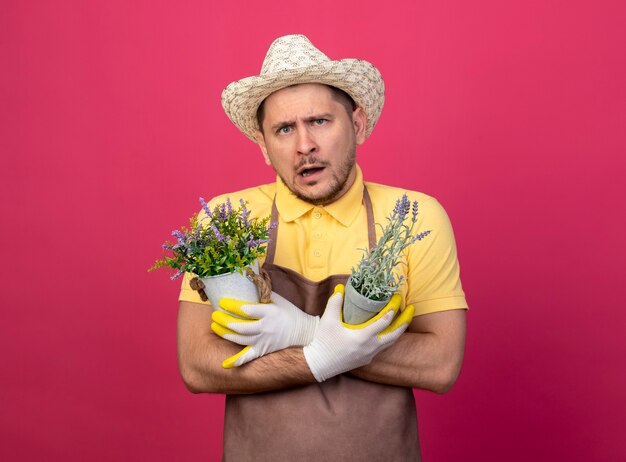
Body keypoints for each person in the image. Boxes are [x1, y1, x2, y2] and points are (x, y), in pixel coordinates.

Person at [177, 34, 468, 461]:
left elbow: (440, 365)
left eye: (319, 121)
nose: (304, 146)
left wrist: (305, 332)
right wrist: (321, 354)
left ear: (358, 123)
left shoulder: (416, 218)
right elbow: (198, 365)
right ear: (263, 145)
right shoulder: (225, 221)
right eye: (283, 129)